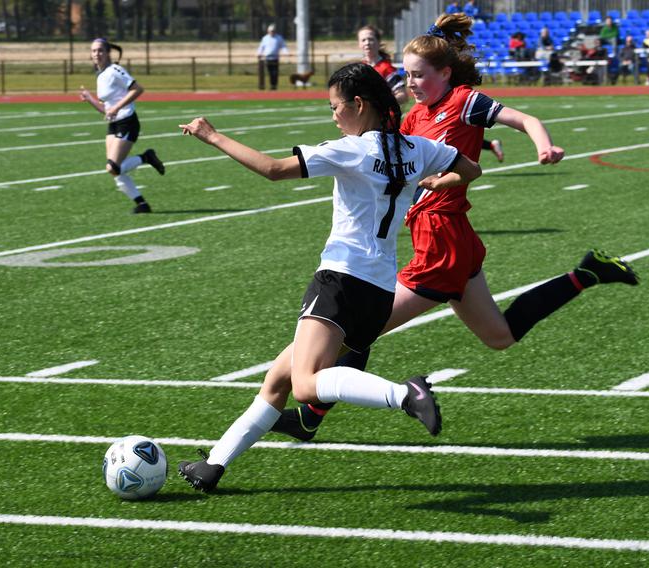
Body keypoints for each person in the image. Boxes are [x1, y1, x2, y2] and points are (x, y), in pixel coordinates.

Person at [270, 14, 638, 443]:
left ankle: (309, 417)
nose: (411, 83)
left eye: (419, 75)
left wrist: (544, 144)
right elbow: (396, 147)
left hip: (441, 241)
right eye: (407, 75)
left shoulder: (465, 100)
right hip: (450, 237)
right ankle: (587, 272)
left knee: (360, 327)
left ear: (444, 73)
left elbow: (525, 120)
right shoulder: (413, 119)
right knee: (500, 336)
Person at [176, 62, 483, 492]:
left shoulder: (352, 149)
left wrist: (213, 135)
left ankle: (405, 395)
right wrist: (435, 182)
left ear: (359, 104)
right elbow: (471, 170)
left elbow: (273, 169)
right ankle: (215, 464)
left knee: (304, 386)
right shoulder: (418, 147)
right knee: (279, 379)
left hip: (340, 280)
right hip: (378, 291)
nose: (333, 115)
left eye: (335, 106)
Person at [78, 38, 164, 214]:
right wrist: (89, 98)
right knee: (115, 169)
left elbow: (138, 89)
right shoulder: (100, 75)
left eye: (100, 50)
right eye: (94, 51)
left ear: (108, 52)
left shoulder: (115, 70)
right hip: (114, 124)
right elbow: (106, 110)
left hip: (127, 121)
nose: (97, 54)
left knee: (113, 167)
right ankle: (142, 204)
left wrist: (117, 107)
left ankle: (146, 157)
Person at [357, 25, 408, 105]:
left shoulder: (387, 69)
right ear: (359, 44)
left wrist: (381, 103)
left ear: (378, 42)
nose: (367, 43)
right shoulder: (358, 68)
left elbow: (403, 96)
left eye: (371, 39)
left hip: (383, 116)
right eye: (363, 40)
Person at [257, 24, 287, 90]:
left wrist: (286, 53)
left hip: (275, 58)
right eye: (270, 31)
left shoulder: (279, 38)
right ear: (268, 31)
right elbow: (261, 47)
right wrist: (259, 53)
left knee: (275, 72)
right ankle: (271, 85)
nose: (272, 32)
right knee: (270, 72)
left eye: (273, 31)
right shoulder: (265, 38)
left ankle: (274, 85)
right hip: (268, 58)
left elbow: (283, 46)